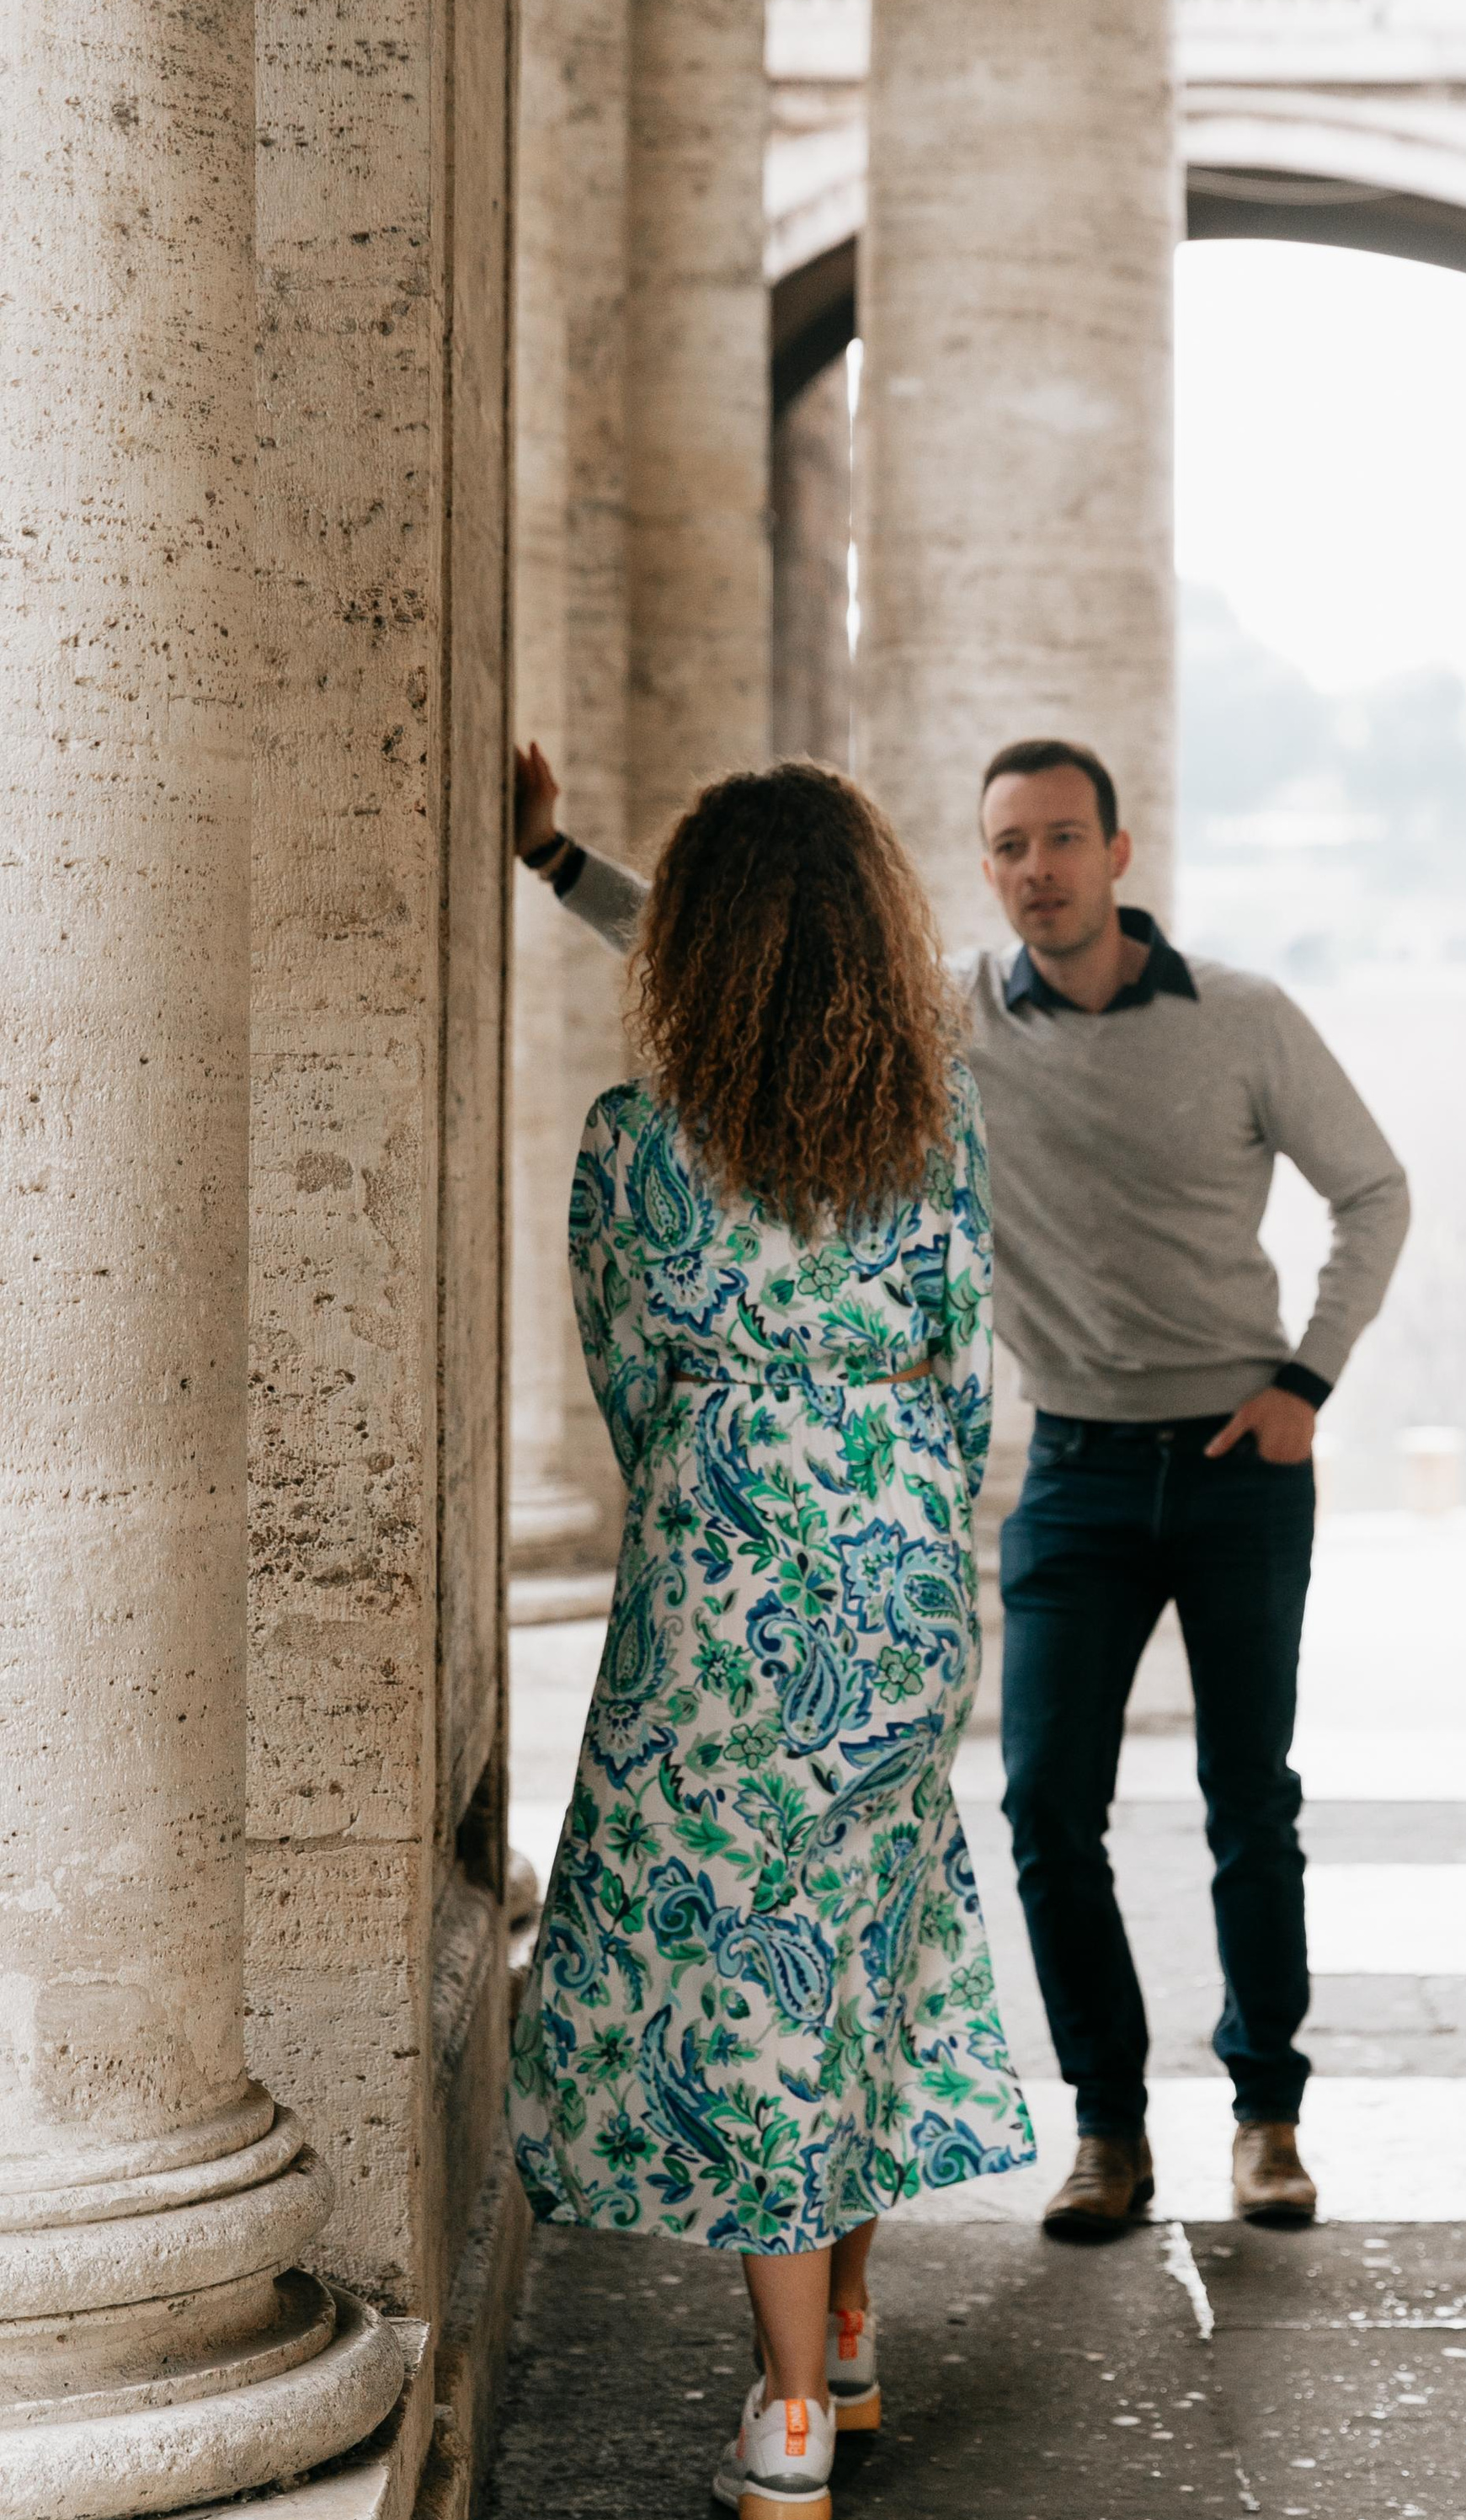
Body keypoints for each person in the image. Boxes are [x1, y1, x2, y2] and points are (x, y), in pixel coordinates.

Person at [514, 734, 1408, 2239]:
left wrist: (1307, 1382)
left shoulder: (1247, 1017)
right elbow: (747, 941)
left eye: (1061, 839)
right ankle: (1108, 2131)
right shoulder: (956, 1021)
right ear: (985, 868)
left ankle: (1268, 2116)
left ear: (1118, 853)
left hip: (1238, 1464)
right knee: (1047, 1805)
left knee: (1249, 1797)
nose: (1036, 871)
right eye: (1007, 847)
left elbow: (1373, 1191)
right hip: (1075, 1463)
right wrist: (552, 857)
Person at [507, 762, 1033, 2520]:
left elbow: (627, 1388)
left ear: (697, 952)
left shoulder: (633, 1143)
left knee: (757, 1985)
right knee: (860, 1948)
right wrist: (905, 1534)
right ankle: (850, 2331)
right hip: (900, 1581)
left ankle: (792, 2413)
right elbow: (964, 1373)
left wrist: (719, 1501)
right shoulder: (937, 1135)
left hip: (715, 1598)